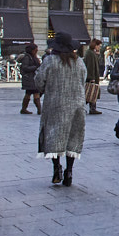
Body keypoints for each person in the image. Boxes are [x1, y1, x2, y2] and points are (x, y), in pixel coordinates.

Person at [35, 32, 87, 186]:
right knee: (73, 136)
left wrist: (46, 88)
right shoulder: (79, 62)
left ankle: (56, 167)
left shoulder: (50, 61)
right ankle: (69, 170)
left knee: (54, 135)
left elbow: (39, 81)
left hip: (56, 104)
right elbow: (84, 79)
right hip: (77, 105)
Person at [19, 43, 42, 114]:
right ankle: (39, 110)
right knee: (35, 92)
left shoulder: (32, 57)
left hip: (31, 78)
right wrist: (35, 67)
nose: (36, 51)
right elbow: (25, 67)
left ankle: (24, 109)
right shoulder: (27, 57)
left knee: (29, 93)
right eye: (35, 50)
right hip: (29, 78)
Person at [83, 39, 104, 115]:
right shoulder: (90, 53)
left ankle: (92, 108)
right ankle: (88, 108)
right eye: (99, 46)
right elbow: (90, 66)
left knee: (92, 92)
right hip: (92, 76)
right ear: (95, 45)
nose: (100, 47)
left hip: (93, 76)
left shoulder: (92, 53)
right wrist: (91, 77)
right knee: (90, 92)